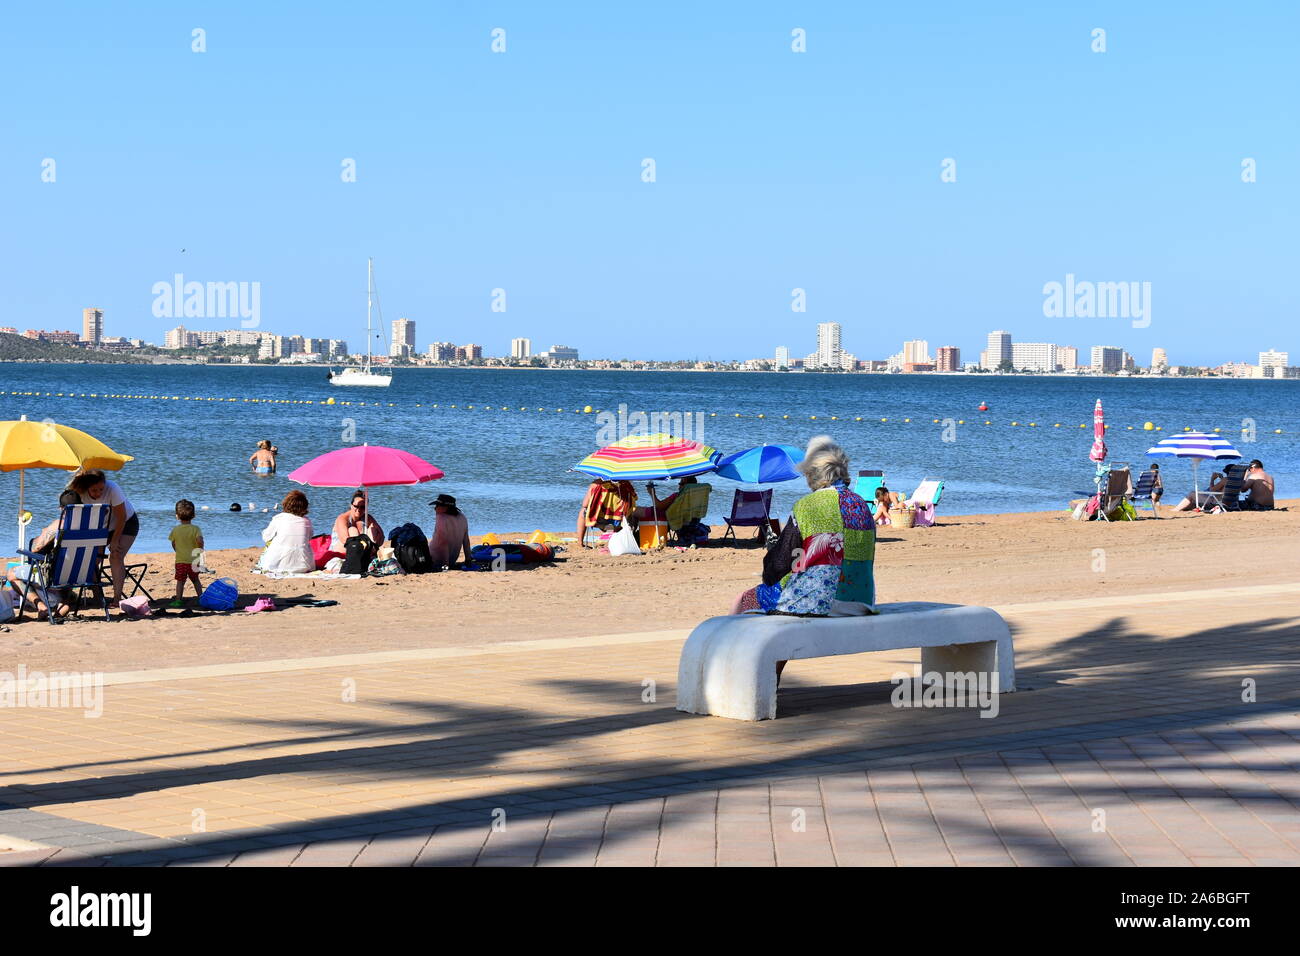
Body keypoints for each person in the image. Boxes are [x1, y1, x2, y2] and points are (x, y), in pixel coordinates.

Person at [68, 469, 138, 607]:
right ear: (86, 487)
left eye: (101, 489)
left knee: (115, 555)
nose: (99, 493)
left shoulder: (112, 489)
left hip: (125, 523)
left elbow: (121, 517)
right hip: (101, 526)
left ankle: (117, 599)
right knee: (92, 560)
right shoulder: (79, 492)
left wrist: (115, 540)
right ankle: (98, 597)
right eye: (94, 490)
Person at [5, 490, 79, 621]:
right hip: (78, 576)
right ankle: (65, 602)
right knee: (65, 574)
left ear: (61, 508)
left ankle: (40, 605)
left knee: (11, 574)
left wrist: (44, 532)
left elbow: (35, 548)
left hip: (54, 577)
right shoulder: (93, 526)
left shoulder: (59, 524)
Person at [256, 491, 314, 573]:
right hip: (304, 566)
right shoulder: (307, 521)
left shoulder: (279, 518)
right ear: (305, 506)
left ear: (285, 504)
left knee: (269, 544)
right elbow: (309, 537)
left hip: (276, 565)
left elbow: (266, 537)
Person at [576, 479, 637, 547]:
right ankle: (629, 538)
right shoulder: (627, 485)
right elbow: (634, 501)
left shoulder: (596, 484)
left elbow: (585, 504)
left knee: (583, 511)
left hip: (599, 521)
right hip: (621, 523)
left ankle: (580, 542)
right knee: (633, 512)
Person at [168, 499, 205, 608]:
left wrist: (177, 550)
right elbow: (200, 541)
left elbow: (173, 543)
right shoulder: (196, 529)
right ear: (193, 515)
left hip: (181, 560)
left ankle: (178, 600)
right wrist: (200, 549)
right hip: (194, 560)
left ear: (177, 516)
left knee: (180, 581)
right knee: (195, 580)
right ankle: (201, 598)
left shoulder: (176, 530)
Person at [428, 493, 472, 567]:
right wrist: (468, 560)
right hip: (452, 559)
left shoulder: (441, 518)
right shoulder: (462, 517)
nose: (435, 508)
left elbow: (443, 543)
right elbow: (466, 541)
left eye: (437, 505)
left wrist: (446, 565)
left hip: (435, 560)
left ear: (445, 507)